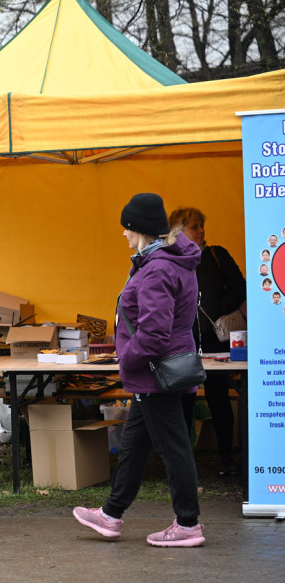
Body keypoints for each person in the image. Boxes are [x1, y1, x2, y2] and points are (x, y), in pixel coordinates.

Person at [74, 193, 205, 547]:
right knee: (133, 446)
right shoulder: (169, 261)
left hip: (155, 373)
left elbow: (154, 333)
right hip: (159, 371)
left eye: (126, 227)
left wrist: (126, 357)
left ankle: (188, 524)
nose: (123, 233)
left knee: (174, 449)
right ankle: (111, 515)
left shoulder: (157, 269)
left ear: (140, 229)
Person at [168, 207, 245, 476]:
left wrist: (217, 310)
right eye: (195, 226)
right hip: (182, 342)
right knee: (183, 401)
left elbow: (240, 287)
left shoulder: (216, 255)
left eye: (201, 225)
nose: (201, 230)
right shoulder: (168, 261)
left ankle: (227, 459)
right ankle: (183, 462)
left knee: (219, 399)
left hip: (215, 341)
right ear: (178, 232)